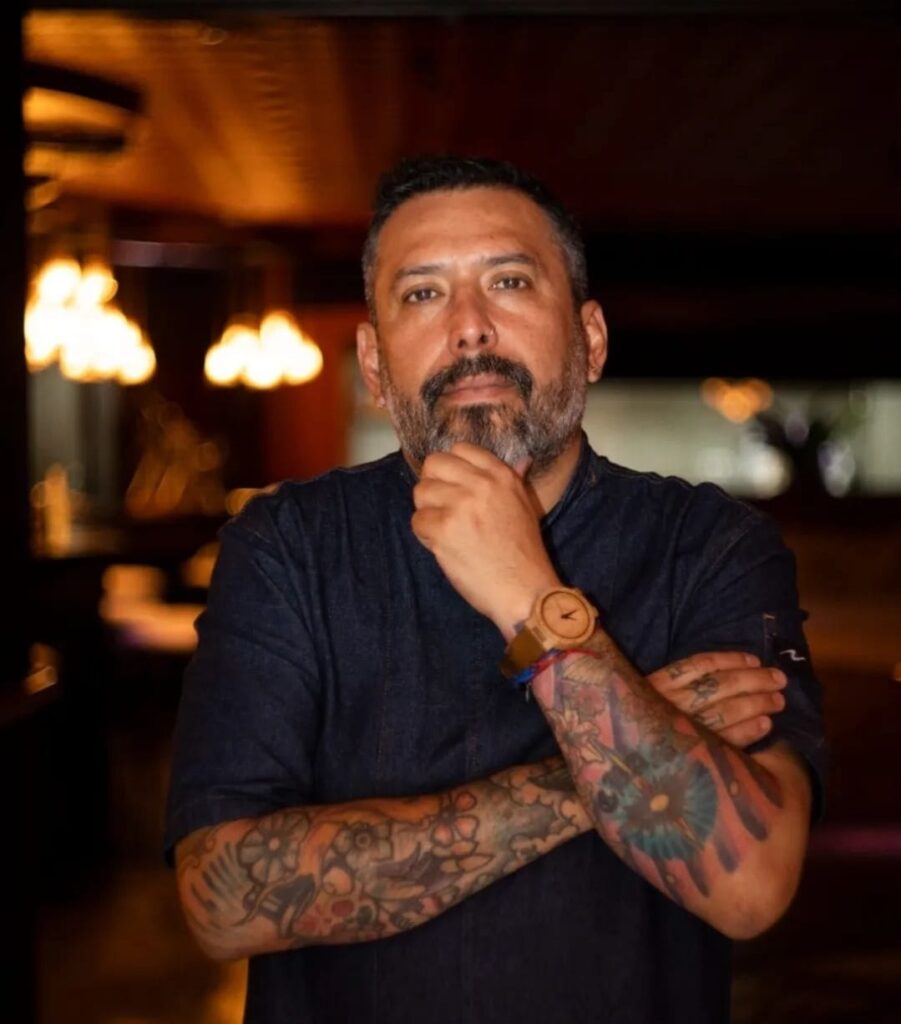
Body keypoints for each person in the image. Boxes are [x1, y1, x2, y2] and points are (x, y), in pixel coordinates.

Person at [165, 155, 825, 1024]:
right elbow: (223, 903)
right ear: (373, 362)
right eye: (422, 294)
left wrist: (528, 596)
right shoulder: (285, 547)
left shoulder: (711, 545)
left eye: (509, 281)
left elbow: (750, 888)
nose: (470, 328)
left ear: (589, 339)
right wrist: (593, 778)